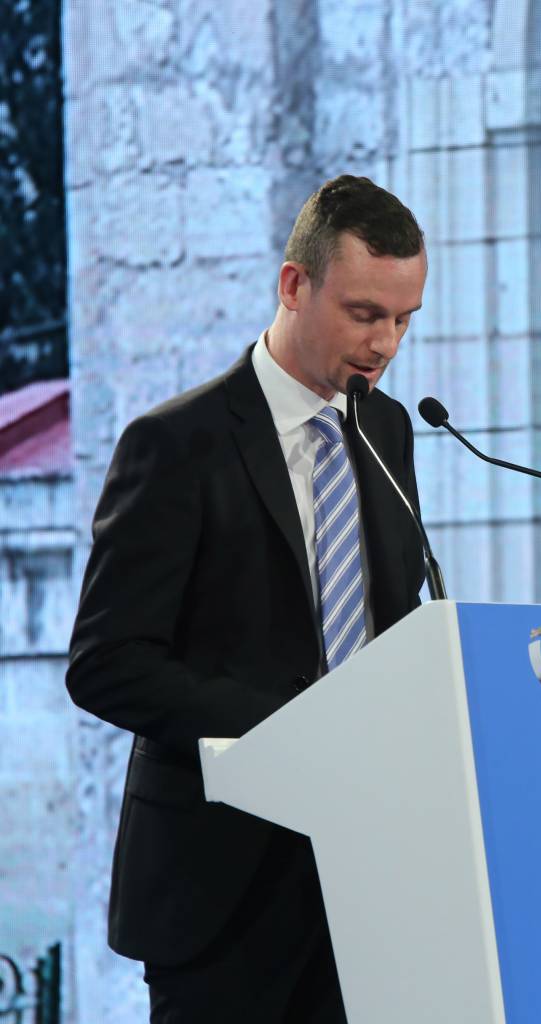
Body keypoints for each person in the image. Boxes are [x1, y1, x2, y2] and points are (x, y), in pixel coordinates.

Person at [66, 175, 429, 1023]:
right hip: (219, 888)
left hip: (365, 880)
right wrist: (290, 732)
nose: (384, 344)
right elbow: (108, 664)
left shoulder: (386, 429)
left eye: (404, 319)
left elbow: (389, 617)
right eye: (364, 314)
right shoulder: (174, 444)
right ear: (294, 285)